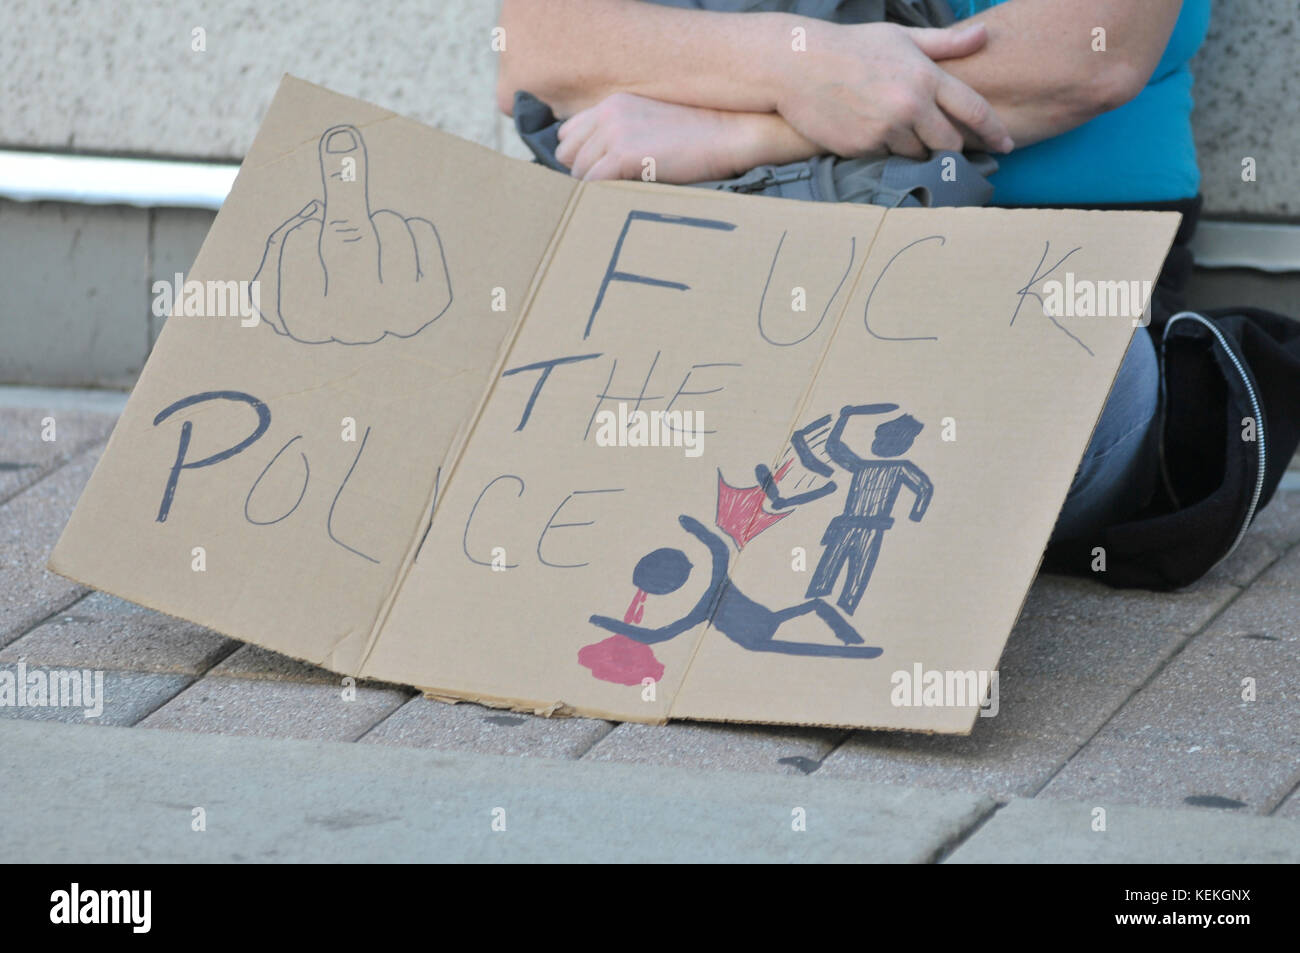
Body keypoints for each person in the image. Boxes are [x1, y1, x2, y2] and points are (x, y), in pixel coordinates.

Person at [495, 0, 1211, 545]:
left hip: (1031, 273)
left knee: (1054, 398)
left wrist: (748, 132)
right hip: (727, 257)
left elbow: (1092, 56)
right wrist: (788, 63)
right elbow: (539, 46)